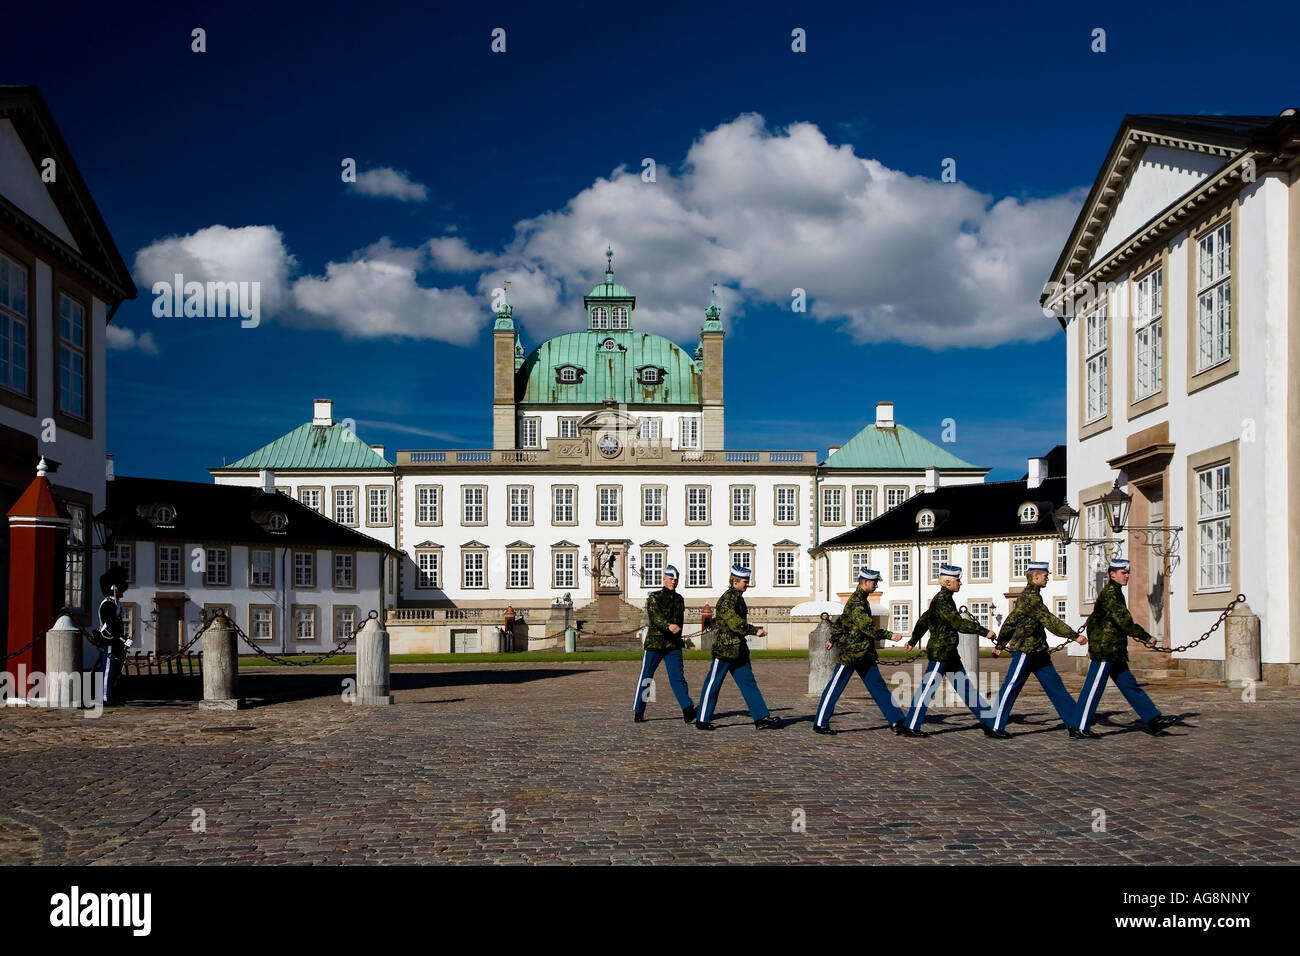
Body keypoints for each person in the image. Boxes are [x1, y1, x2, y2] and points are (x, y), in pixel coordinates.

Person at [1074, 557, 1179, 738]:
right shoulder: (1111, 594)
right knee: (1093, 688)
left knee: (1130, 686)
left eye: (1128, 572)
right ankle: (1078, 725)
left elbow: (1093, 621)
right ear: (1112, 574)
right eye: (1123, 573)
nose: (1127, 576)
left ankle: (1153, 719)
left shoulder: (1115, 592)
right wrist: (1145, 637)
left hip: (1115, 650)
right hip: (1106, 650)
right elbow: (1123, 621)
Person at [899, 563, 1001, 737]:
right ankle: (911, 725)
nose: (960, 583)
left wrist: (914, 639)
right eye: (957, 580)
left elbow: (924, 620)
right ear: (948, 583)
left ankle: (989, 723)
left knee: (967, 689)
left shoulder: (943, 600)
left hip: (950, 652)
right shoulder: (943, 601)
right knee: (927, 689)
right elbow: (958, 623)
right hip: (941, 653)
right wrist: (985, 632)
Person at [988, 561, 1079, 735]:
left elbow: (1010, 621)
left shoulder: (1029, 596)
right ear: (1036, 576)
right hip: (1025, 650)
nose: (1048, 578)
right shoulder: (1031, 597)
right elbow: (1049, 620)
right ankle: (994, 724)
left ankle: (1075, 722)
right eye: (1045, 576)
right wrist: (1074, 635)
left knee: (1055, 686)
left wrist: (1000, 644)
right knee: (1012, 686)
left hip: (1038, 651)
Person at [813, 568, 907, 735]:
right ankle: (820, 722)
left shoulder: (860, 600)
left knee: (878, 687)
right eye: (874, 582)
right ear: (865, 582)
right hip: (850, 654)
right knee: (834, 687)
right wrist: (890, 635)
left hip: (863, 654)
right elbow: (867, 629)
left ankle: (897, 720)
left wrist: (832, 639)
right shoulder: (857, 603)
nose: (876, 585)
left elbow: (842, 621)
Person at [695, 566, 780, 730]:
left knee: (749, 683)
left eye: (747, 581)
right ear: (734, 581)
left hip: (738, 649)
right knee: (713, 683)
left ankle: (761, 717)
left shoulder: (738, 598)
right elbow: (735, 623)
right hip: (725, 649)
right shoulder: (728, 599)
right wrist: (754, 630)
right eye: (744, 581)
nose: (747, 584)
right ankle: (702, 719)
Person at [633, 565, 696, 724]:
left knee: (678, 678)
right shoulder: (654, 598)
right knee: (647, 678)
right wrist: (668, 626)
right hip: (656, 643)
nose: (673, 582)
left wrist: (678, 633)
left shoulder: (679, 599)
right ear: (664, 579)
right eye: (670, 579)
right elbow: (655, 617)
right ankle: (639, 710)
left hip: (673, 644)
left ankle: (687, 709)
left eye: (675, 580)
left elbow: (679, 621)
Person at [95, 566, 132, 706]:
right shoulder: (108, 604)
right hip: (109, 641)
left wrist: (123, 640)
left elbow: (118, 626)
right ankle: (105, 697)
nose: (122, 592)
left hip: (115, 642)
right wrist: (123, 639)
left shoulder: (115, 604)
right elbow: (110, 627)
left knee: (115, 670)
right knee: (108, 670)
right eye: (120, 589)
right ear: (114, 587)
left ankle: (112, 694)